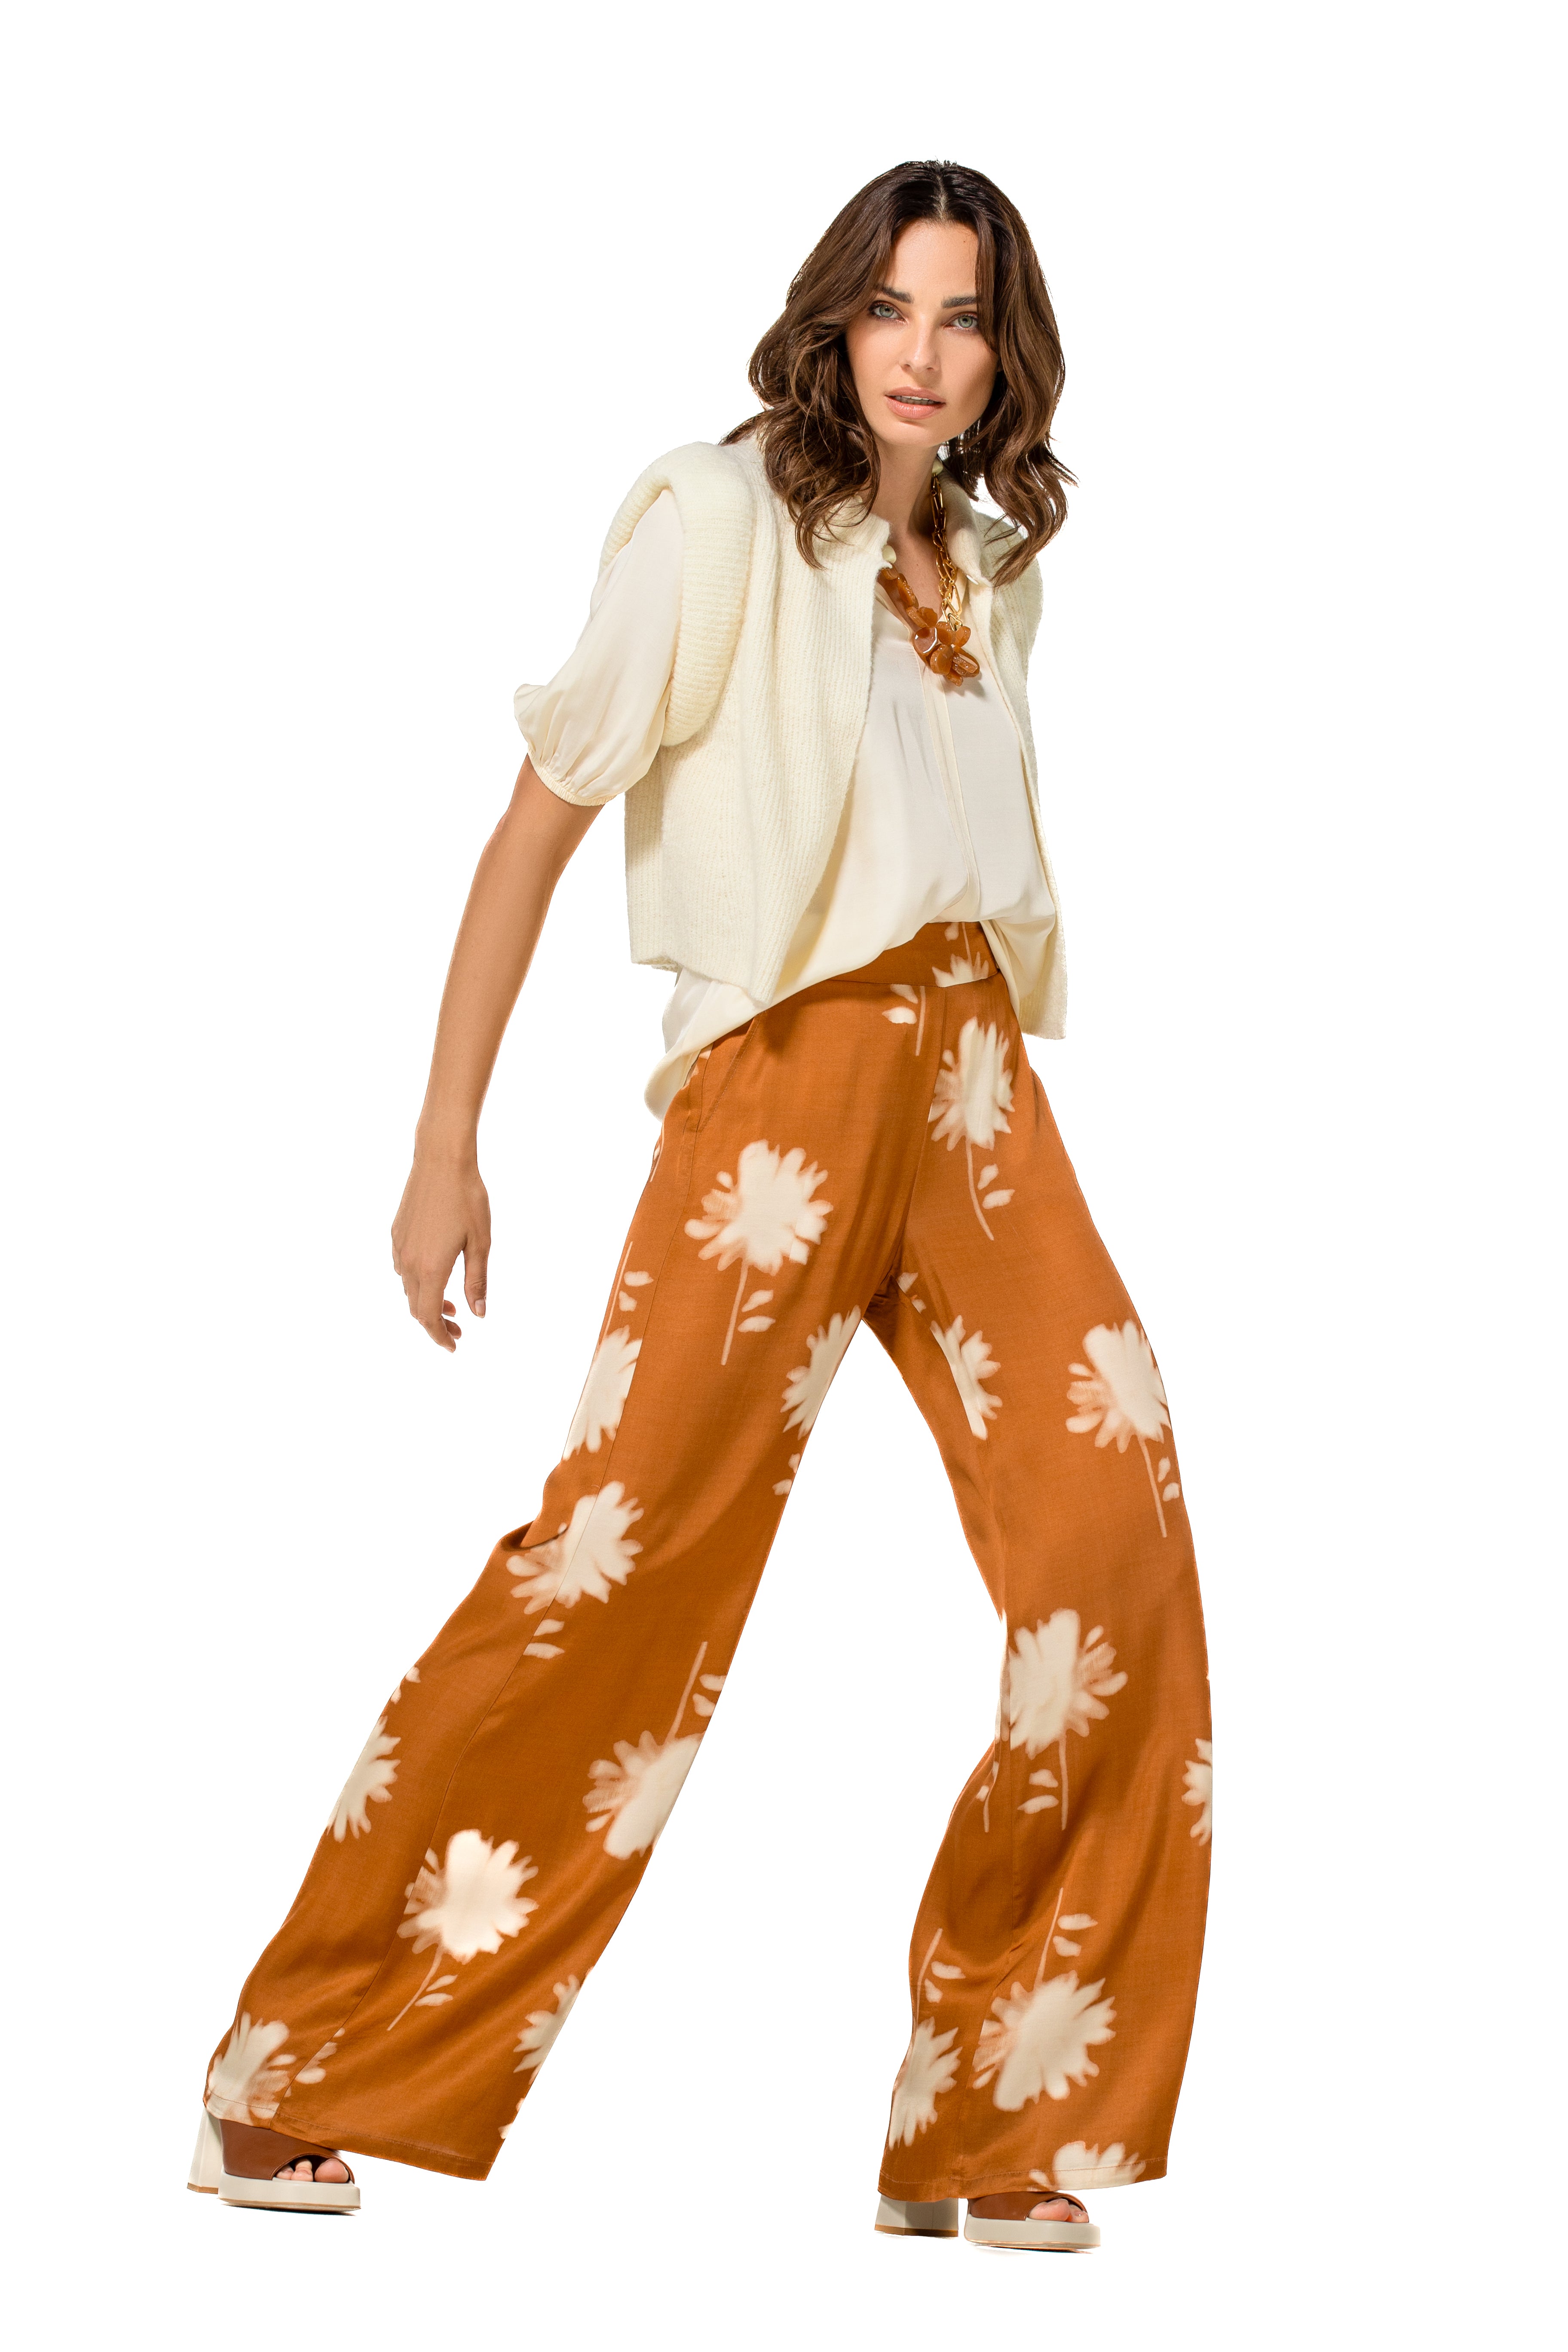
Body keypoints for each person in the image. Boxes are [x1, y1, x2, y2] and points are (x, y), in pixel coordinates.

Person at [188, 159, 1211, 2254]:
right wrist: (446, 1143)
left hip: (976, 1081)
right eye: (894, 309)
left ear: (1006, 354)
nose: (927, 353)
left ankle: (992, 2117)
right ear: (834, 321)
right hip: (783, 1090)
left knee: (1116, 1536)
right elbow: (532, 834)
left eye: (967, 318)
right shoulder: (714, 522)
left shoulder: (985, 564)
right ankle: (297, 2067)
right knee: (619, 1570)